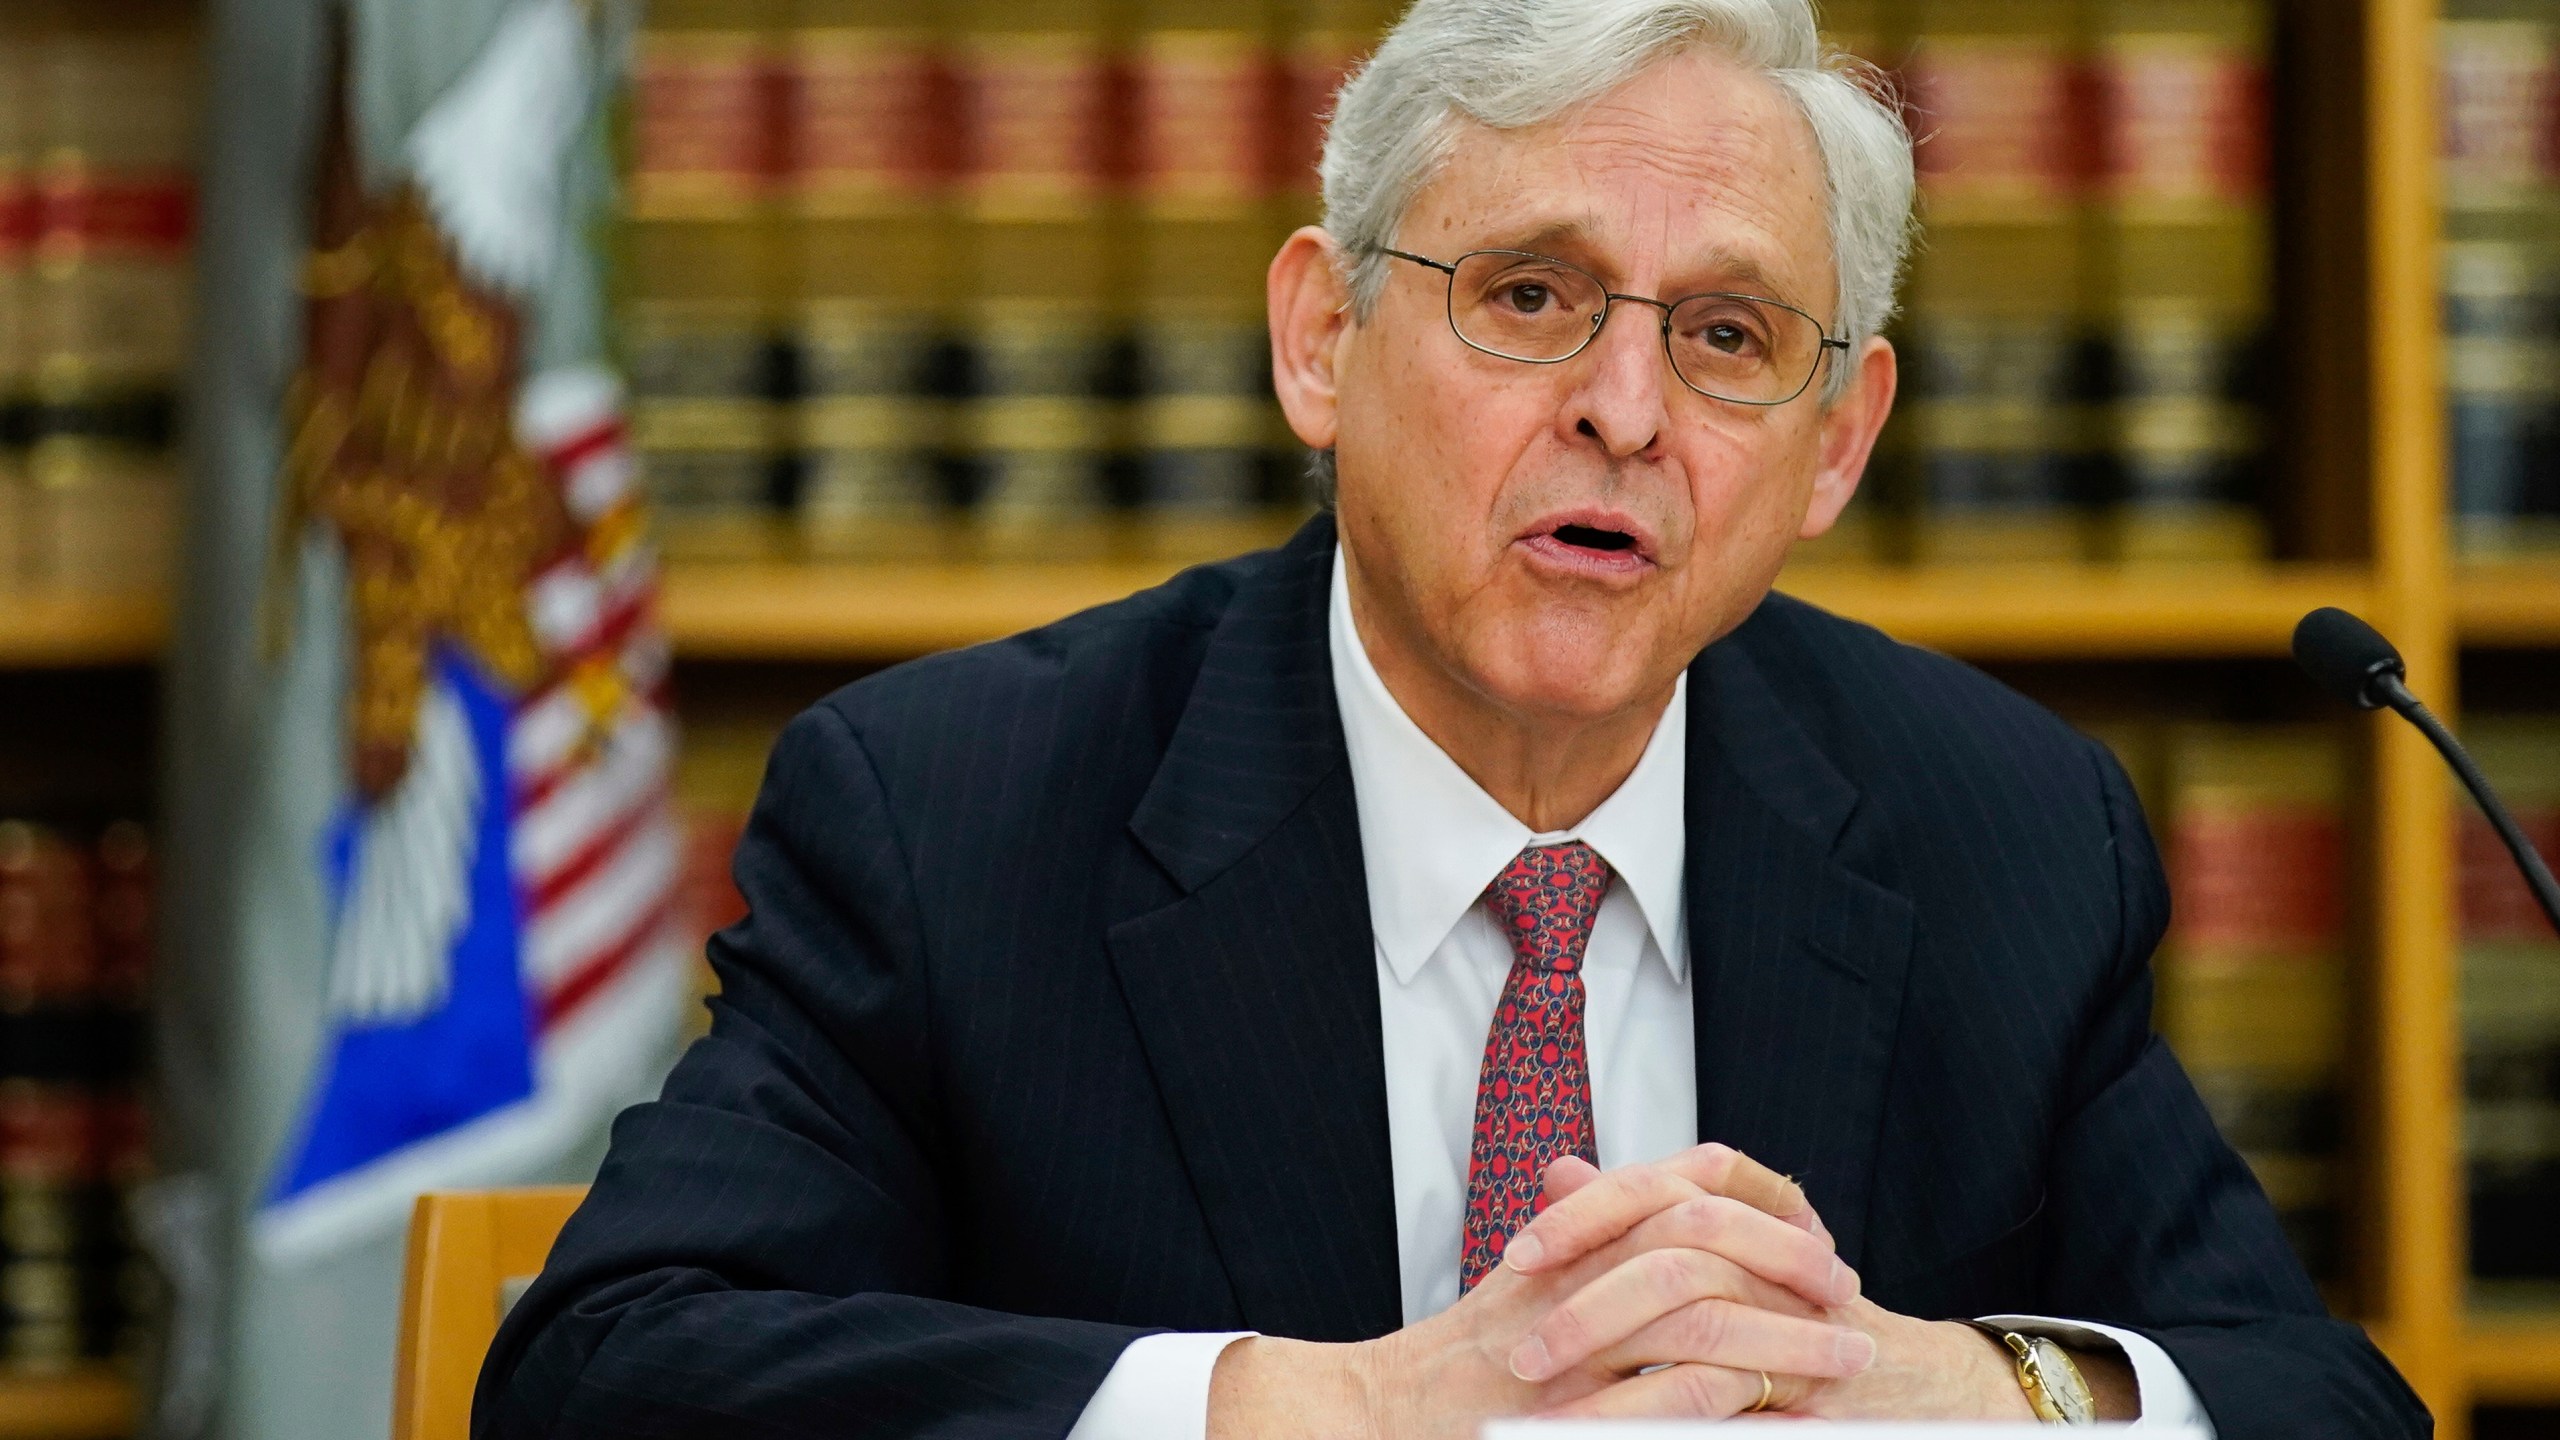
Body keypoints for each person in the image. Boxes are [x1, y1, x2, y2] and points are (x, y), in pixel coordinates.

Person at [476, 1, 2429, 1435]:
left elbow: (2318, 1398)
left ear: (1837, 444)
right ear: (1320, 340)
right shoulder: (956, 814)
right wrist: (1330, 1412)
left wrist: (1945, 1388)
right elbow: (605, 1370)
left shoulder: (2000, 832)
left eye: (1726, 336)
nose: (1624, 413)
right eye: (1529, 297)